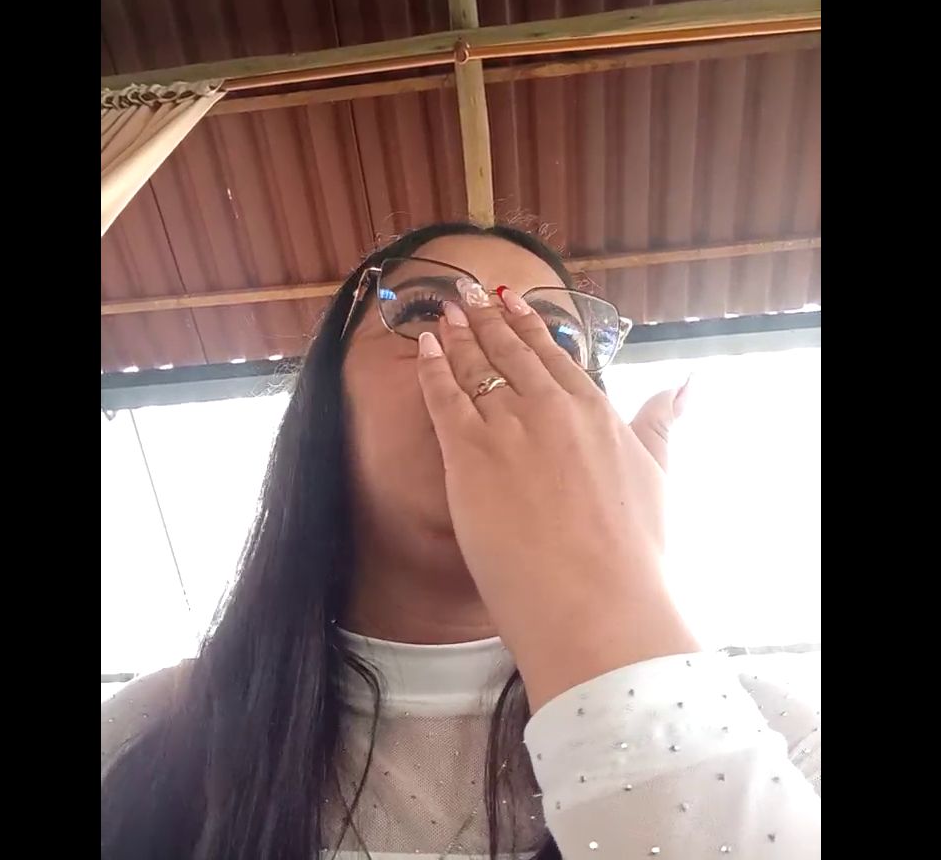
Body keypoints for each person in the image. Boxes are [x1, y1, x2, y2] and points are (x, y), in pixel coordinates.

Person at [101, 222, 821, 859]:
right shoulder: (145, 736)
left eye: (556, 336)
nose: (494, 350)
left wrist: (618, 631)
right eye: (424, 310)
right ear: (325, 403)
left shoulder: (772, 736)